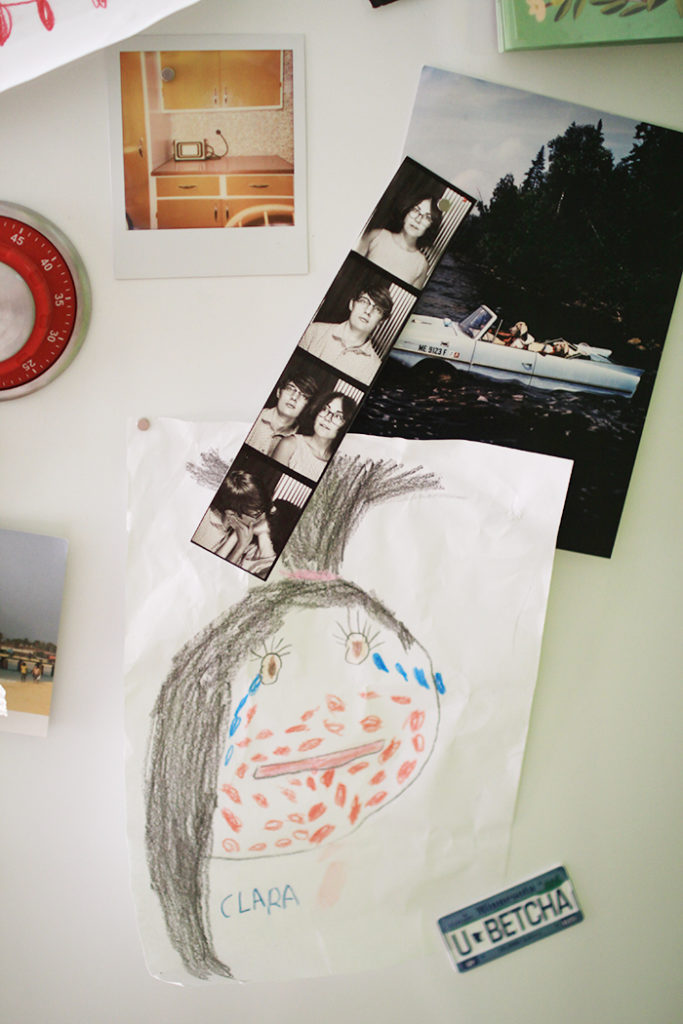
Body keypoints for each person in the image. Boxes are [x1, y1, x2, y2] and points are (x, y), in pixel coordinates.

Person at [298, 284, 393, 385]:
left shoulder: (375, 367)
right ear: (352, 304)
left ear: (381, 321)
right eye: (364, 301)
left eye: (378, 309)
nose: (368, 311)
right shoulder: (314, 331)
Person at [193, 470, 277, 577]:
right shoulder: (203, 524)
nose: (263, 518)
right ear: (231, 514)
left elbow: (267, 564)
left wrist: (259, 534)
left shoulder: (244, 535)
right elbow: (211, 576)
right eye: (256, 514)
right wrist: (241, 546)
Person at [356, 194, 443, 288]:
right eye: (416, 210)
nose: (418, 219)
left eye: (427, 217)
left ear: (431, 226)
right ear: (406, 211)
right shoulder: (376, 235)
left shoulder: (421, 265)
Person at [272, 391, 358, 481]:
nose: (327, 418)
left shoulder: (338, 466)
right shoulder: (290, 445)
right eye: (325, 409)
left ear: (346, 425)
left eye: (338, 416)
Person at [245, 371, 318, 456]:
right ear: (278, 392)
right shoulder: (252, 416)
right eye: (290, 389)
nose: (294, 397)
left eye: (303, 396)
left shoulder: (300, 443)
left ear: (307, 406)